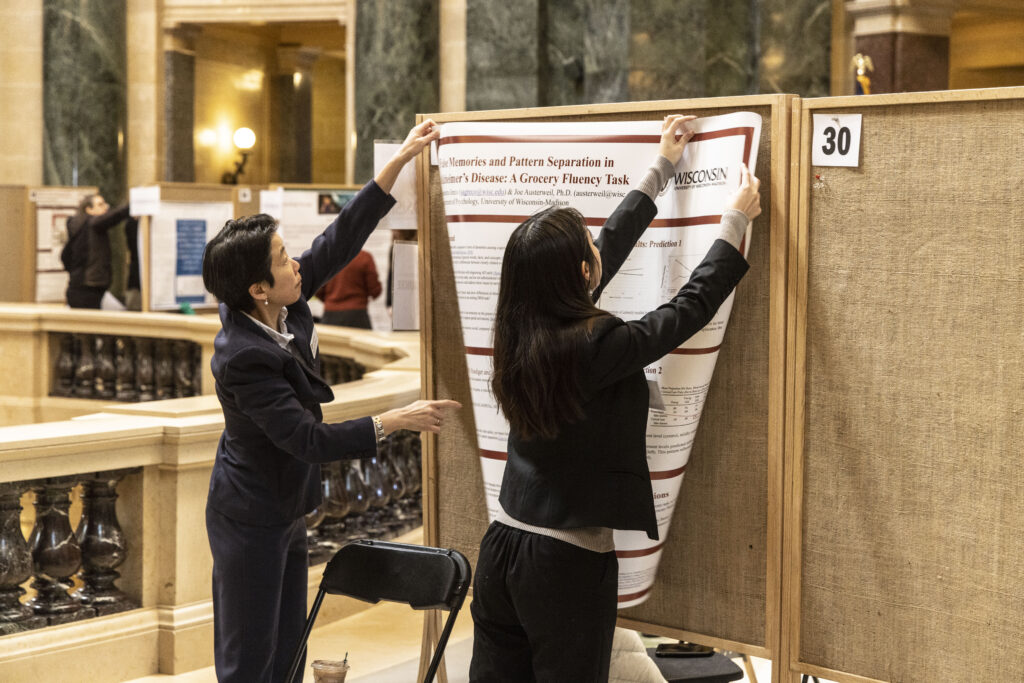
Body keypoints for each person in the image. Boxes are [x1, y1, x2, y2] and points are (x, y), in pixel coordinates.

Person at [469, 114, 762, 683]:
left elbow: (606, 245)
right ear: (581, 274)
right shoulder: (592, 342)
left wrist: (661, 167)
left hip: (503, 547)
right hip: (565, 563)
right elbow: (684, 312)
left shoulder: (521, 325)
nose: (595, 248)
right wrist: (733, 223)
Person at [200, 119, 460, 683]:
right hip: (249, 516)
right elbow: (307, 439)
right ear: (257, 288)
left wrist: (392, 171)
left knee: (290, 647)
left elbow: (336, 242)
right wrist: (395, 420)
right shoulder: (243, 354)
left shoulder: (283, 302)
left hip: (288, 507)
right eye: (282, 258)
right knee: (250, 659)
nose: (297, 263)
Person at [63, 194, 131, 309]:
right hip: (90, 287)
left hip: (80, 285)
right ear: (89, 210)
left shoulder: (79, 226)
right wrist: (133, 205)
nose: (105, 208)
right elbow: (115, 216)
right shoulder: (93, 224)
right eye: (100, 204)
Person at [316, 249, 382, 328]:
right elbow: (375, 291)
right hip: (357, 316)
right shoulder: (365, 257)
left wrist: (330, 300)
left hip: (330, 316)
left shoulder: (326, 258)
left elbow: (317, 289)